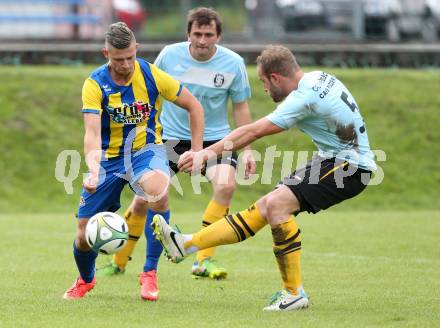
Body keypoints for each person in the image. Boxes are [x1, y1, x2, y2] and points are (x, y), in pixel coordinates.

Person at [151, 45, 377, 311]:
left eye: (263, 82)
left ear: (276, 78)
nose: (265, 89)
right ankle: (185, 244)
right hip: (334, 159)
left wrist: (204, 155)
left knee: (277, 207)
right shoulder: (317, 77)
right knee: (265, 207)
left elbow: (252, 131)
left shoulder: (303, 97)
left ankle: (293, 293)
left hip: (349, 167)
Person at [97, 7, 255, 289]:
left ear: (218, 36)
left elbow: (240, 107)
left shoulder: (234, 64)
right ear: (188, 34)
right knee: (145, 199)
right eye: (198, 34)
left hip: (216, 140)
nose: (203, 40)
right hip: (167, 138)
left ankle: (202, 259)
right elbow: (145, 85)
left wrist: (249, 149)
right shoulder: (169, 55)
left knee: (226, 185)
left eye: (209, 35)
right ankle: (119, 261)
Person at [62, 22, 204, 300]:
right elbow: (91, 133)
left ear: (136, 49)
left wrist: (197, 151)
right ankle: (86, 280)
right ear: (106, 54)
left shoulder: (151, 74)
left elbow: (194, 105)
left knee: (158, 194)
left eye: (130, 56)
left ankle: (149, 273)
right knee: (82, 236)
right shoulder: (94, 83)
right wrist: (92, 171)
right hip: (107, 159)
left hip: (145, 151)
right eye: (118, 59)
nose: (126, 64)